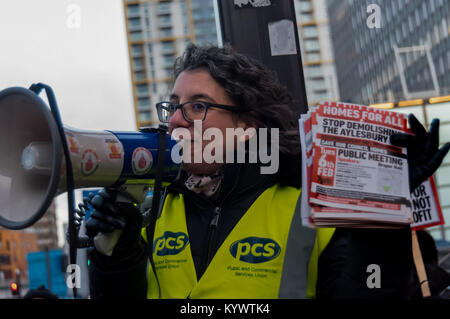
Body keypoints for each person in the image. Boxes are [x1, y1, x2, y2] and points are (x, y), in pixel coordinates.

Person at [85, 44, 450, 299]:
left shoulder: (310, 204)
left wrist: (381, 216)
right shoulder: (156, 207)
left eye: (197, 106)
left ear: (249, 122)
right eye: (174, 106)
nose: (177, 119)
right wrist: (113, 255)